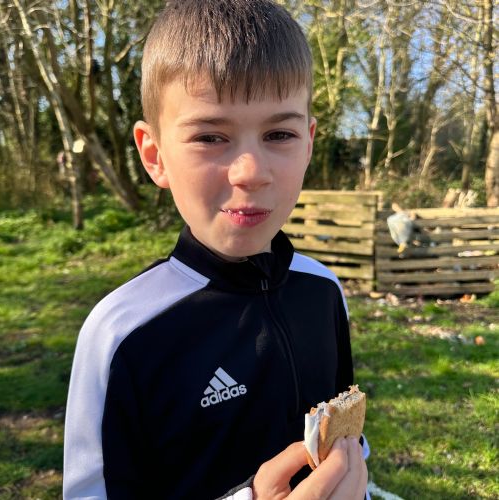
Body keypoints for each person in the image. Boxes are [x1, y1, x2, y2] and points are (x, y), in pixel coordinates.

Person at [63, 1, 369, 498]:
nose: (251, 172)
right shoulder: (122, 333)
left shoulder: (324, 290)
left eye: (279, 134)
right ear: (155, 156)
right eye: (210, 136)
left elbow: (345, 439)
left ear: (309, 143)